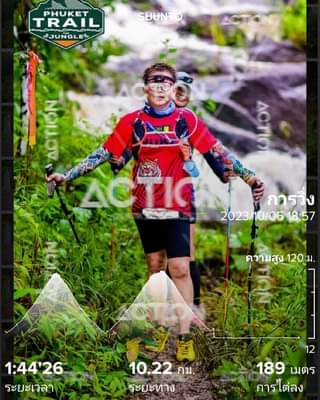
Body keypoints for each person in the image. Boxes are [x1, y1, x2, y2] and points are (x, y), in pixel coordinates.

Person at [46, 63, 264, 362]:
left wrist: (250, 177)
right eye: (154, 81)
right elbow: (101, 154)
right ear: (145, 87)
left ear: (175, 88)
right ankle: (159, 330)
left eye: (166, 82)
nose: (160, 87)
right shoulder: (131, 122)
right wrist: (67, 176)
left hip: (179, 205)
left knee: (180, 269)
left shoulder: (187, 120)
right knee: (155, 270)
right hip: (144, 207)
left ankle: (185, 335)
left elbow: (219, 153)